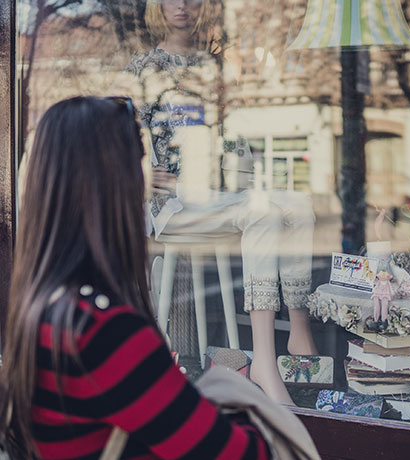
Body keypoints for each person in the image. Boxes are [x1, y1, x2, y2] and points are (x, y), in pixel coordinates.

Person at [0, 96, 273, 459]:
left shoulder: (43, 307)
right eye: (141, 165)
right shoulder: (105, 331)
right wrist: (239, 397)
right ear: (115, 185)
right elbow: (244, 455)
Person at [124, 0, 318, 405]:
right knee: (262, 212)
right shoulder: (143, 68)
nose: (181, 6)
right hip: (174, 205)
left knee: (299, 204)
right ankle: (264, 361)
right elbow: (122, 135)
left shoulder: (213, 68)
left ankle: (300, 329)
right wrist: (140, 174)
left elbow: (234, 133)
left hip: (219, 190)